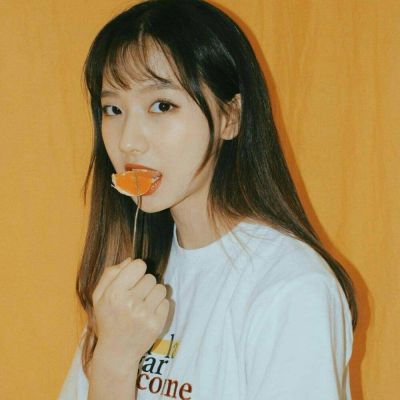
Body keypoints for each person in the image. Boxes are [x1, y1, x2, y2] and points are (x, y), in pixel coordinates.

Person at [58, 0, 357, 398]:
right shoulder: (131, 271)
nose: (128, 141)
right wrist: (113, 358)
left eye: (162, 106)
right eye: (113, 109)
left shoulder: (291, 287)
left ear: (230, 117)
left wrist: (116, 361)